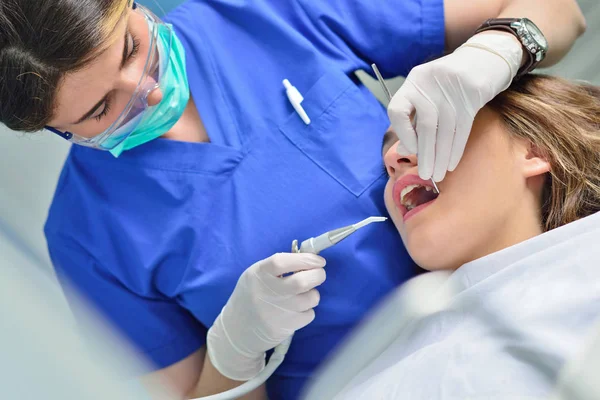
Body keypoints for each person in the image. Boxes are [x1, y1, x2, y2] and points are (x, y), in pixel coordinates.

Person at [0, 0, 585, 398]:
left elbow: (559, 11)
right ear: (59, 130)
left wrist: (499, 50)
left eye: (131, 47)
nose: (149, 89)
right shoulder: (86, 236)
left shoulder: (263, 15)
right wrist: (233, 355)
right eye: (102, 109)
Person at [305, 74, 600, 399]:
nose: (391, 160)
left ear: (534, 151)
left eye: (428, 130)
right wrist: (240, 363)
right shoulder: (382, 350)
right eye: (386, 156)